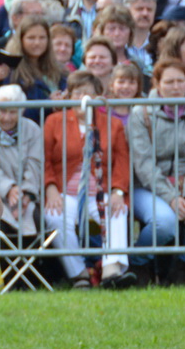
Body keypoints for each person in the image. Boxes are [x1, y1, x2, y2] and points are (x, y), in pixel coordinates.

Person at [126, 58, 185, 285]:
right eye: (169, 82)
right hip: (148, 186)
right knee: (164, 222)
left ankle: (184, 267)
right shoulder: (141, 114)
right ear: (157, 84)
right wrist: (172, 199)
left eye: (180, 81)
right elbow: (144, 165)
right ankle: (138, 263)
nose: (176, 87)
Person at [43, 69, 135, 288]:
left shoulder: (112, 124)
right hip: (65, 191)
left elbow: (122, 162)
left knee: (117, 211)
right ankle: (79, 273)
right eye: (77, 93)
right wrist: (50, 188)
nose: (83, 98)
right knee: (56, 217)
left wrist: (118, 192)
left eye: (89, 93)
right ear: (69, 96)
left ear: (98, 97)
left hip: (101, 191)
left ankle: (112, 270)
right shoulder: (54, 121)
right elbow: (44, 159)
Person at [0, 85, 44, 238]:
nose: (6, 117)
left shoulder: (32, 129)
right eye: (2, 111)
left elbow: (35, 164)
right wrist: (9, 188)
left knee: (37, 221)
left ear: (21, 111)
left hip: (24, 194)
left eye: (13, 112)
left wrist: (25, 195)